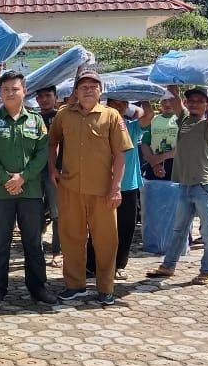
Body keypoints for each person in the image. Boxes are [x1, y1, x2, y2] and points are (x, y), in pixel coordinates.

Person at [48, 71, 132, 306]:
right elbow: (52, 141)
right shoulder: (64, 115)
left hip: (103, 192)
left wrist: (115, 188)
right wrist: (52, 168)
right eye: (83, 86)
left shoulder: (112, 116)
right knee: (71, 238)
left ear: (100, 91)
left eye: (93, 86)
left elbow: (120, 155)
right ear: (75, 91)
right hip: (70, 188)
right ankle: (75, 285)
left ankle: (105, 288)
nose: (87, 90)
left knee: (106, 240)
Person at [146, 68, 208, 285]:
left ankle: (206, 270)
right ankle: (168, 266)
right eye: (191, 100)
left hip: (204, 185)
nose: (193, 104)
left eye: (199, 101)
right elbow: (174, 96)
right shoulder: (183, 119)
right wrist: (170, 74)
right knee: (178, 229)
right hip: (184, 185)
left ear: (205, 105)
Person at [0, 71, 56, 306]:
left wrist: (23, 177)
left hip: (31, 192)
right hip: (1, 193)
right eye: (5, 90)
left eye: (15, 89)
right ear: (0, 93)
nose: (10, 94)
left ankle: (38, 287)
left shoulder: (36, 121)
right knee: (0, 243)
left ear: (24, 91)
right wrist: (6, 179)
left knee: (33, 243)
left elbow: (42, 153)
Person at [86, 100, 154, 282]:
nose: (117, 107)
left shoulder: (130, 127)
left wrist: (140, 99)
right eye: (113, 104)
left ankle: (119, 265)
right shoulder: (100, 125)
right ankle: (90, 265)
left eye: (121, 104)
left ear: (126, 106)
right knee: (97, 227)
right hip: (101, 185)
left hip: (128, 186)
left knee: (125, 228)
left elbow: (148, 115)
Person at [35, 86, 62, 267]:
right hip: (35, 171)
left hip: (56, 171)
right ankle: (36, 250)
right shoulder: (33, 118)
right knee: (34, 212)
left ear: (55, 97)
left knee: (57, 213)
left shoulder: (62, 116)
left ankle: (57, 251)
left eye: (48, 95)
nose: (44, 99)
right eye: (40, 96)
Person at [141, 97, 179, 181]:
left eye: (170, 100)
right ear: (160, 102)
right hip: (153, 164)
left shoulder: (181, 120)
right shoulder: (153, 120)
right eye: (164, 100)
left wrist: (160, 158)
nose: (167, 104)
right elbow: (145, 143)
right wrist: (154, 164)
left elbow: (184, 147)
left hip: (176, 165)